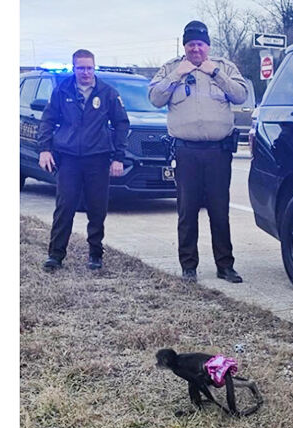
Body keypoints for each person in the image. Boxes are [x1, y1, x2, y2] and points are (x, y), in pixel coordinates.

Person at [148, 21, 250, 283]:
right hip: (186, 152)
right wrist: (177, 75)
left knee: (219, 210)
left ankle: (225, 266)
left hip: (218, 152)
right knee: (187, 210)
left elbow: (241, 95)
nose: (196, 49)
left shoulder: (224, 67)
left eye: (200, 44)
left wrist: (215, 73)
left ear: (208, 46)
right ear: (185, 46)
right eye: (191, 44)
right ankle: (189, 266)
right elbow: (155, 99)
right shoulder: (171, 68)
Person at [38, 49, 129, 271]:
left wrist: (118, 157)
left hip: (97, 159)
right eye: (81, 68)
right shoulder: (62, 91)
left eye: (89, 68)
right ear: (74, 68)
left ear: (94, 67)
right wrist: (45, 149)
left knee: (97, 208)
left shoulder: (107, 93)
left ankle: (95, 255)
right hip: (68, 158)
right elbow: (47, 121)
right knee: (65, 206)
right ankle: (56, 255)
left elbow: (121, 125)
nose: (85, 72)